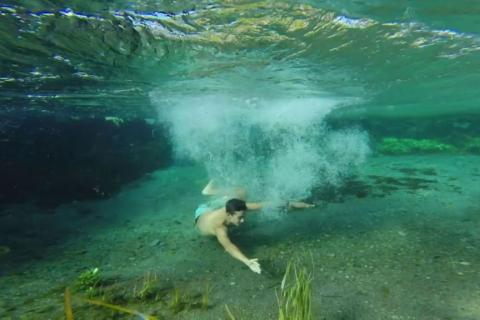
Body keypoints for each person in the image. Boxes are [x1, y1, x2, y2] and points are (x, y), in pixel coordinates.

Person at [194, 180, 314, 274]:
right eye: (240, 218)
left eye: (243, 216)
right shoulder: (219, 228)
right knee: (236, 197)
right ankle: (211, 193)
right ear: (229, 214)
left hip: (212, 208)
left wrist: (292, 203)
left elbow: (265, 204)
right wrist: (248, 262)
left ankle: (210, 192)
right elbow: (229, 247)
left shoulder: (235, 209)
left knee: (242, 191)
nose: (243, 220)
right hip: (202, 213)